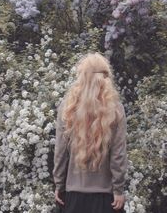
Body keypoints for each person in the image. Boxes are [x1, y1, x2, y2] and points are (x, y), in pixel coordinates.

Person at [52, 52, 128, 213]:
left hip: (73, 197)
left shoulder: (67, 108)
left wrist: (59, 184)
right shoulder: (115, 110)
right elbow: (118, 155)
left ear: (81, 77)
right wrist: (118, 190)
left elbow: (60, 152)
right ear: (106, 79)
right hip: (106, 199)